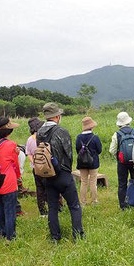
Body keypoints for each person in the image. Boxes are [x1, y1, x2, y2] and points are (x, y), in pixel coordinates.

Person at [37, 102, 84, 242]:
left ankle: (55, 237)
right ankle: (78, 236)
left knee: (52, 207)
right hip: (63, 173)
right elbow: (69, 154)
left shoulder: (39, 132)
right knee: (74, 206)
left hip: (47, 174)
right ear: (57, 116)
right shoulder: (61, 131)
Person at [0, 117, 21, 241]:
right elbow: (15, 165)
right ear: (7, 131)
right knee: (10, 210)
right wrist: (19, 177)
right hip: (8, 182)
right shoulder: (10, 145)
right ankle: (10, 236)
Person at [109, 112, 134, 209]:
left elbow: (111, 150)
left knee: (122, 184)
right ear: (129, 121)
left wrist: (119, 155)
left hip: (122, 163)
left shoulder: (117, 134)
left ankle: (123, 206)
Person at [75, 117, 102, 205]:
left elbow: (77, 150)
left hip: (82, 163)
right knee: (93, 182)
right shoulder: (95, 137)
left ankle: (83, 202)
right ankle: (94, 201)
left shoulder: (79, 137)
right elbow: (99, 150)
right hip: (93, 163)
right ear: (92, 126)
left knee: (84, 181)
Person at [25, 117, 47, 217]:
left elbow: (28, 153)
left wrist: (34, 162)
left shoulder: (30, 139)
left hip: (36, 168)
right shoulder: (45, 136)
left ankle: (42, 211)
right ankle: (57, 206)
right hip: (47, 167)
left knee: (39, 188)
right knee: (51, 186)